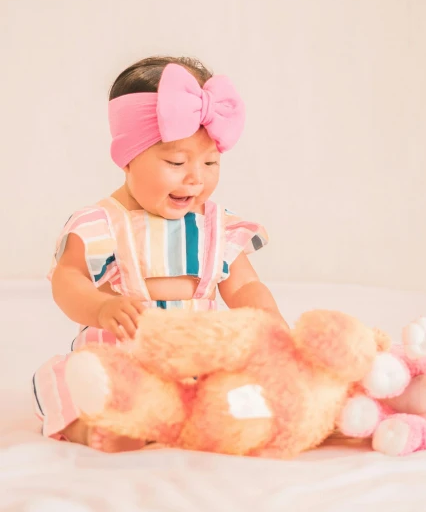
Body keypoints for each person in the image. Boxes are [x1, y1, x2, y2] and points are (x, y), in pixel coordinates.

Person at [33, 55, 283, 451]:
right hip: (127, 358)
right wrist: (99, 308)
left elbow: (246, 285)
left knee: (247, 383)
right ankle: (96, 427)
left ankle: (220, 419)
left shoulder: (216, 227)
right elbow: (68, 280)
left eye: (210, 162)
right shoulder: (100, 224)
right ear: (128, 158)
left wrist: (270, 324)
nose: (195, 177)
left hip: (200, 361)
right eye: (176, 161)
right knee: (68, 378)